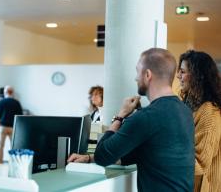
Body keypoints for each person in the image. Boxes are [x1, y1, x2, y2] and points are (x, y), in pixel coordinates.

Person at [68, 48, 195, 192]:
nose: (136, 78)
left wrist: (120, 115)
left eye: (137, 72)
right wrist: (88, 158)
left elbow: (103, 155)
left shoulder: (146, 117)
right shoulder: (185, 111)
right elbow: (135, 155)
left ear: (147, 75)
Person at [177, 50, 221, 192]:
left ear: (197, 76)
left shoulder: (209, 112)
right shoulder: (190, 105)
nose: (178, 76)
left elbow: (200, 164)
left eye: (182, 72)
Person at [0, 86, 23, 163]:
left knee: (1, 146)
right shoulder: (16, 103)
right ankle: (13, 162)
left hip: (3, 127)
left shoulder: (0, 102)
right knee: (13, 147)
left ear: (5, 92)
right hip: (13, 128)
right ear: (12, 92)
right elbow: (20, 116)